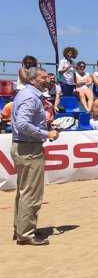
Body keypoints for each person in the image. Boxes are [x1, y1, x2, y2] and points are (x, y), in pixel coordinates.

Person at [10, 66, 59, 246]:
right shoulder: (31, 97)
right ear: (32, 80)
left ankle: (21, 228)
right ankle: (26, 234)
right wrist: (46, 134)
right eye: (44, 77)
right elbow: (23, 124)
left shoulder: (25, 95)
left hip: (24, 146)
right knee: (31, 193)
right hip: (29, 149)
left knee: (24, 191)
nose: (48, 80)